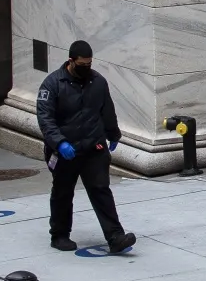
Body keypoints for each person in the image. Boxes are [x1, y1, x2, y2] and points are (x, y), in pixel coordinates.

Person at [36, 40, 135, 254]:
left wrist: (113, 133)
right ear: (71, 61)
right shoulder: (53, 84)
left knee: (101, 190)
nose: (86, 68)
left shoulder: (97, 82)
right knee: (63, 192)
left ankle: (115, 236)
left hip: (93, 147)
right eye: (82, 64)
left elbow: (107, 110)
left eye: (89, 64)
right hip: (65, 151)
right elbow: (45, 119)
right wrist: (59, 142)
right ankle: (60, 234)